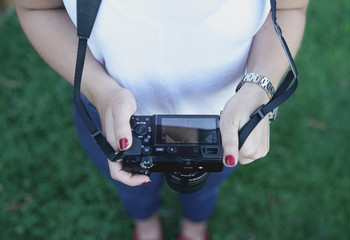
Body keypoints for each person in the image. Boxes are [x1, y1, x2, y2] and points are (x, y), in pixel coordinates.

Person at [15, 0, 309, 239]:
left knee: (205, 188)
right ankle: (145, 222)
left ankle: (194, 225)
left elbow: (288, 7)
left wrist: (258, 89)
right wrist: (99, 89)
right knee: (131, 188)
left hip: (229, 121)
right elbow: (38, 7)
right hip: (110, 115)